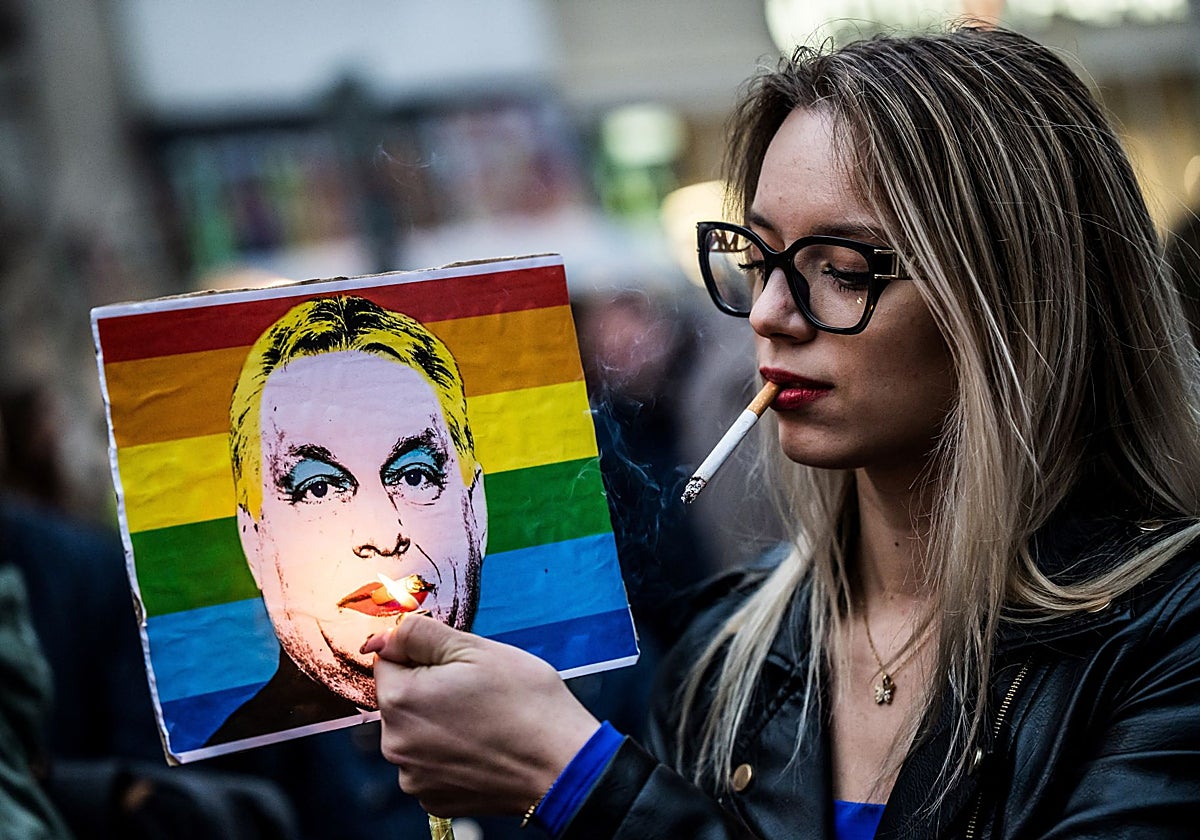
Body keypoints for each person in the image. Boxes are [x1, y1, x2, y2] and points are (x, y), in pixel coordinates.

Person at [363, 25, 1200, 838]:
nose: (768, 315)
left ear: (1016, 298)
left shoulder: (1168, 637)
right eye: (758, 260)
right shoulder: (729, 656)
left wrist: (585, 785)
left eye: (840, 271)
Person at [214, 294, 487, 744]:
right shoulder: (237, 774)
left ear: (475, 509)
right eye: (319, 488)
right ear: (255, 543)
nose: (383, 536)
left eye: (415, 476)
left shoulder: (579, 709)